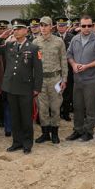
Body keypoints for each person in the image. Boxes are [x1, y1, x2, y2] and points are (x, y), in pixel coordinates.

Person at [0, 19, 43, 154]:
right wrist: (0, 37)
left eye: (19, 28)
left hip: (25, 87)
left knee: (26, 118)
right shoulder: (9, 46)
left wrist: (37, 88)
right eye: (14, 29)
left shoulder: (33, 48)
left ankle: (27, 144)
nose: (16, 31)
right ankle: (17, 142)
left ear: (26, 31)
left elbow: (38, 70)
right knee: (15, 117)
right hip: (11, 87)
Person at [65, 15, 95, 142]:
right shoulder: (75, 39)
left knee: (90, 107)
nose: (87, 28)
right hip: (78, 79)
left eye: (89, 25)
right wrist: (73, 64)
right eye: (84, 26)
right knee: (77, 106)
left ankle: (88, 131)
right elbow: (69, 54)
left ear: (93, 26)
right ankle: (78, 130)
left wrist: (86, 66)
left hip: (92, 79)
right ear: (80, 26)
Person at [32, 16, 67, 144]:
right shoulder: (35, 42)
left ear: (51, 27)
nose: (43, 28)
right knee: (43, 108)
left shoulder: (58, 42)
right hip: (41, 80)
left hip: (55, 79)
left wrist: (65, 79)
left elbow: (63, 61)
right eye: (41, 25)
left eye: (46, 25)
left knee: (55, 107)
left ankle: (55, 133)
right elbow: (33, 64)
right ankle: (45, 133)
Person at [56, 17, 75, 122]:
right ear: (56, 26)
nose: (61, 27)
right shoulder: (53, 37)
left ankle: (66, 113)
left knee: (67, 93)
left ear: (66, 27)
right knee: (57, 92)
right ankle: (57, 112)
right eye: (59, 25)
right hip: (56, 70)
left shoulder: (72, 38)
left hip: (69, 69)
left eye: (63, 25)